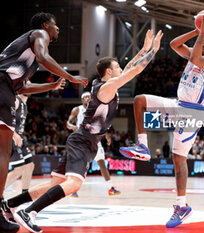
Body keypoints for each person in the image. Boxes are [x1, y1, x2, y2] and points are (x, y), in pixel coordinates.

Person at [2, 29, 162, 233]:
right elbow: (134, 70)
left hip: (84, 140)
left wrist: (145, 49)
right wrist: (153, 52)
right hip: (83, 141)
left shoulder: (107, 85)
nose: (121, 68)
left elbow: (131, 67)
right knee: (74, 184)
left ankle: (9, 205)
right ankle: (29, 212)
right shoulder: (106, 89)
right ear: (109, 72)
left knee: (54, 184)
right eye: (117, 66)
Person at [120, 15, 204, 228]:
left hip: (193, 113)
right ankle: (143, 146)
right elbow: (175, 44)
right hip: (178, 104)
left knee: (178, 159)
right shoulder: (195, 52)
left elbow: (195, 59)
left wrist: (203, 33)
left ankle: (181, 205)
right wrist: (197, 31)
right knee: (139, 100)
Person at [0, 12, 87, 233]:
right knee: (3, 152)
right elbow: (43, 57)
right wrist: (71, 77)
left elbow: (22, 87)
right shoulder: (39, 34)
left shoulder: (23, 55)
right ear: (46, 25)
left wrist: (51, 86)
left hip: (7, 87)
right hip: (2, 88)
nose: (58, 29)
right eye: (56, 26)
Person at [66, 92, 120, 197]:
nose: (87, 98)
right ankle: (73, 189)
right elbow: (68, 123)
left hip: (95, 140)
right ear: (82, 100)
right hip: (82, 141)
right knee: (80, 165)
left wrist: (107, 136)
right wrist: (72, 127)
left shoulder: (96, 111)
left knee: (102, 164)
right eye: (85, 97)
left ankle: (110, 188)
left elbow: (101, 125)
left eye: (89, 97)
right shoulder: (77, 109)